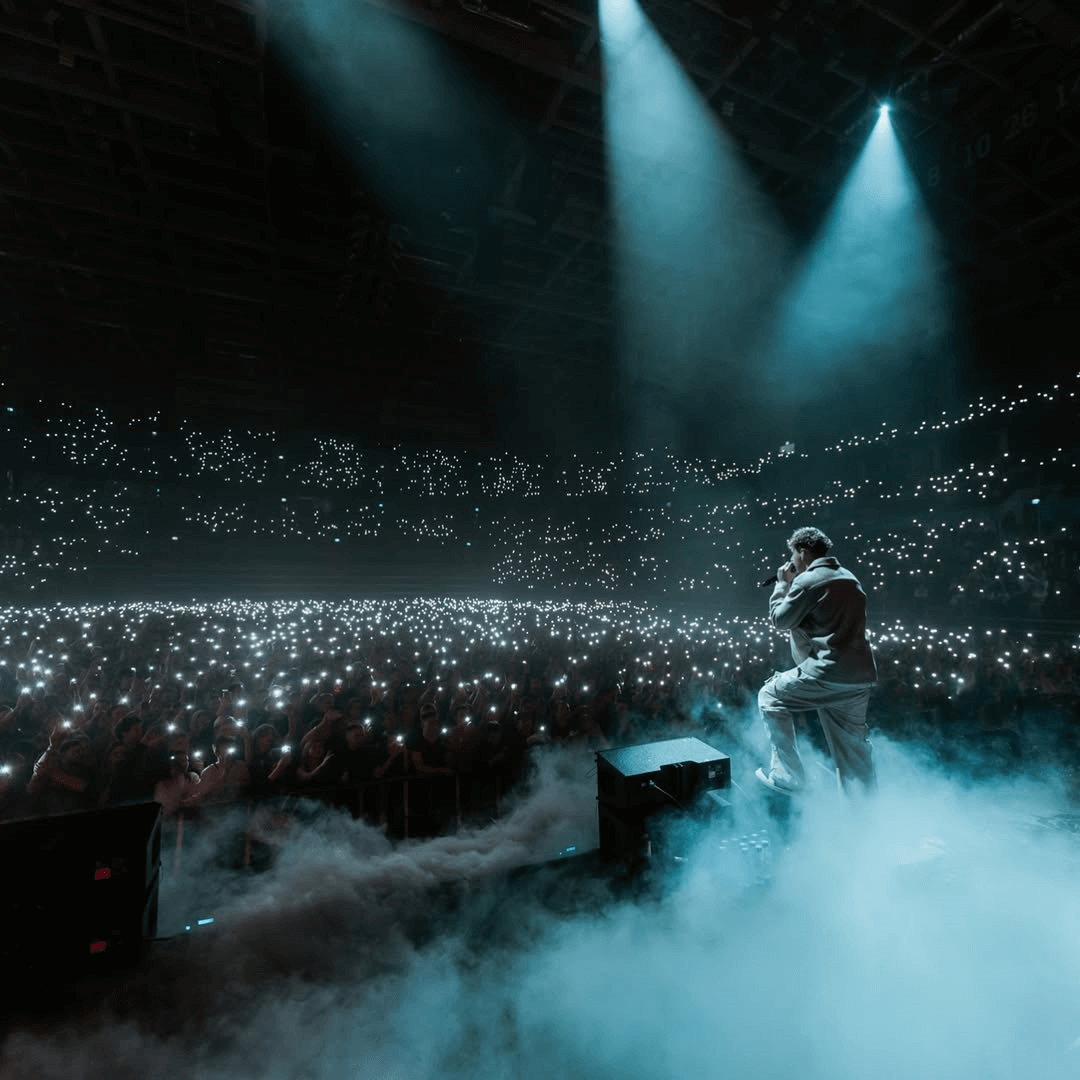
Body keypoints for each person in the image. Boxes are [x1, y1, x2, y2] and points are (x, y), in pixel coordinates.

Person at [757, 526, 877, 795]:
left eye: (792, 555)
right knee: (854, 755)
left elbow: (780, 620)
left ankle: (788, 775)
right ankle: (866, 812)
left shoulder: (808, 581)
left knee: (769, 696)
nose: (791, 561)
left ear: (802, 551)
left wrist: (782, 584)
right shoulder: (850, 578)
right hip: (859, 678)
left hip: (827, 674)